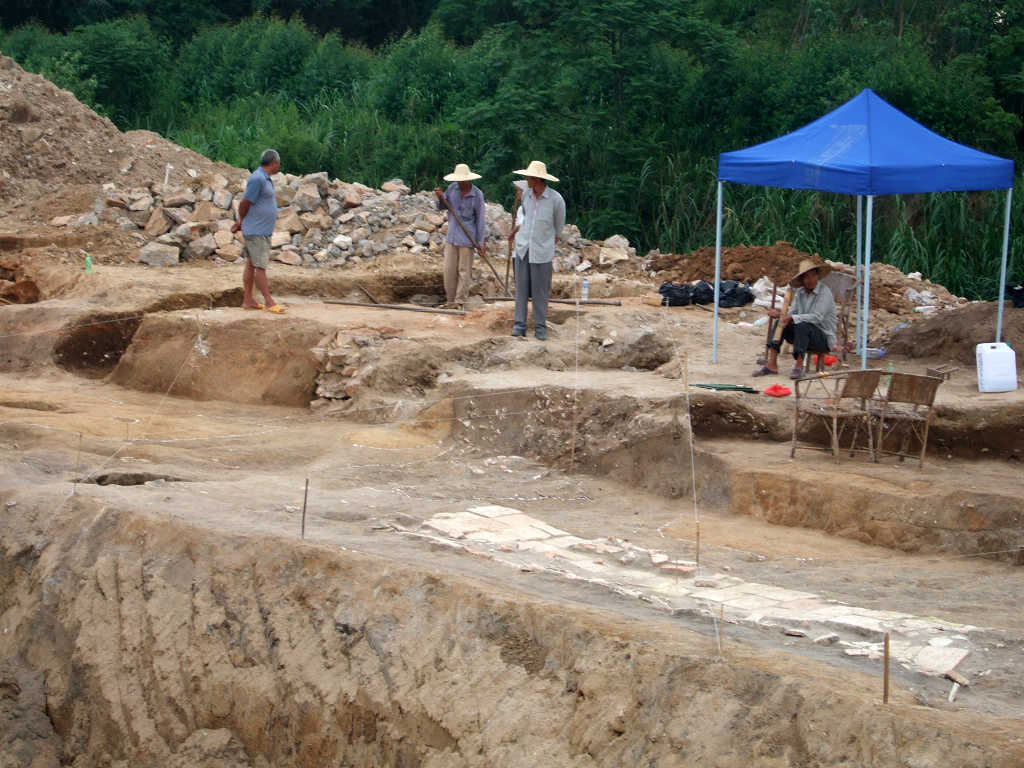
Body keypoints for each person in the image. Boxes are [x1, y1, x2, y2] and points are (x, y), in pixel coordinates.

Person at [509, 160, 565, 340]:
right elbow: (524, 218)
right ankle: (519, 325)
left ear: (538, 179)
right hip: (523, 248)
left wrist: (545, 243)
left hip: (542, 252)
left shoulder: (556, 200)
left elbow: (558, 230)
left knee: (540, 293)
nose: (526, 179)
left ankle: (540, 328)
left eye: (529, 176)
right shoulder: (526, 195)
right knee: (521, 291)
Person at [754, 259, 837, 379]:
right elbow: (791, 313)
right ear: (802, 280)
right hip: (802, 335)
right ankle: (772, 364)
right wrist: (780, 315)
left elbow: (817, 317)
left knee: (803, 324)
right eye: (807, 277)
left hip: (822, 338)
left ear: (817, 276)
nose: (810, 280)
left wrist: (793, 317)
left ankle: (799, 367)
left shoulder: (824, 292)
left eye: (813, 276)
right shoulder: (800, 293)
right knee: (781, 323)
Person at [232, 149, 285, 314]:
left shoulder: (264, 178)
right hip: (257, 231)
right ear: (274, 163)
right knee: (260, 267)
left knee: (250, 264)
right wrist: (241, 220)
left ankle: (248, 300)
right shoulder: (257, 178)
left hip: (259, 229)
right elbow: (245, 202)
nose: (279, 166)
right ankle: (269, 302)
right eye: (278, 163)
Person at [434, 163, 486, 310]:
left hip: (468, 238)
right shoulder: (452, 189)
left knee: (464, 271)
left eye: (462, 180)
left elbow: (481, 219)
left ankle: (459, 301)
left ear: (468, 180)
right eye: (458, 180)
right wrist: (440, 197)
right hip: (452, 236)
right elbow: (443, 206)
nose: (460, 182)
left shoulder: (477, 195)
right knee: (449, 269)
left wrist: (481, 242)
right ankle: (450, 301)